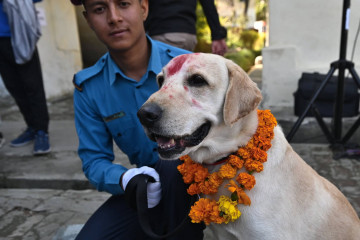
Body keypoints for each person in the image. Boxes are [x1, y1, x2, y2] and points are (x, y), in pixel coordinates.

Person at [70, 0, 204, 239]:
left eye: (123, 4)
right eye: (99, 9)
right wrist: (124, 179)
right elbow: (94, 160)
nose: (114, 18)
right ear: (88, 19)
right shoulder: (89, 87)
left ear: (143, 8)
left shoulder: (190, 66)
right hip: (149, 187)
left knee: (173, 163)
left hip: (203, 185)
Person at [0, 0, 51, 155]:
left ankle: (42, 132)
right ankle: (32, 127)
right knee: (13, 87)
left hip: (19, 36)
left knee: (32, 85)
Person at [145, 0, 228, 56]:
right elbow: (208, 5)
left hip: (163, 35)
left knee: (163, 78)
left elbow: (143, 5)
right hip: (188, 36)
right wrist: (217, 36)